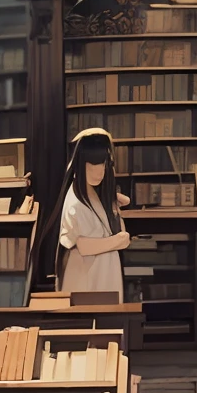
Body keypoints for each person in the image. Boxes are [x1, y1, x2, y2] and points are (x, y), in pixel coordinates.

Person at [49, 127, 130, 298]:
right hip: (88, 275)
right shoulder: (76, 203)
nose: (98, 171)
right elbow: (84, 246)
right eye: (92, 165)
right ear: (80, 164)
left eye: (103, 164)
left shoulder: (92, 192)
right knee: (94, 319)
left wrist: (112, 198)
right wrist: (118, 241)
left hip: (101, 272)